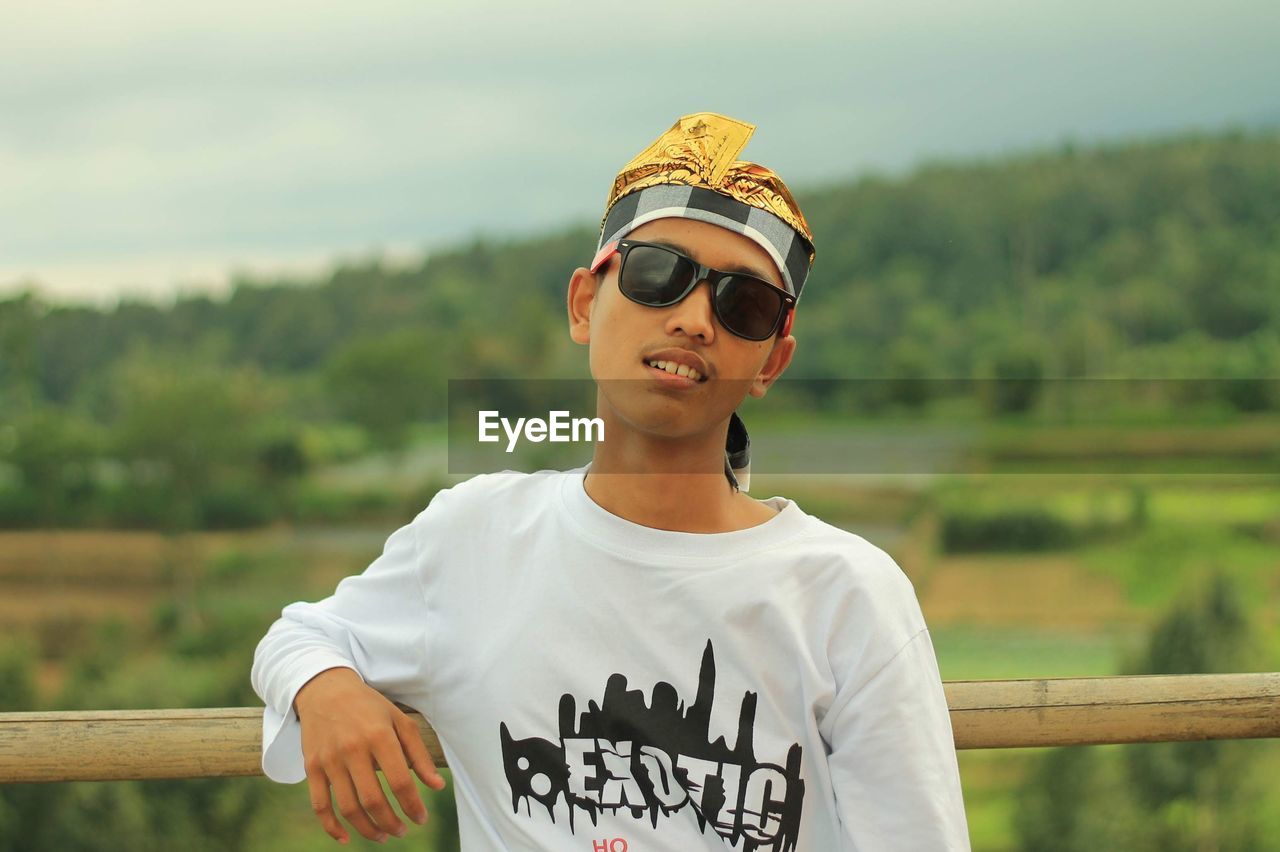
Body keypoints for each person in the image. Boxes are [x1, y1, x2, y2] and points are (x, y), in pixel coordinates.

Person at [251, 112, 971, 851]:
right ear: (584, 304)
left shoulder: (843, 595)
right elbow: (299, 635)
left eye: (743, 305)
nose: (694, 320)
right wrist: (327, 688)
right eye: (660, 273)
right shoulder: (476, 538)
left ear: (772, 363)